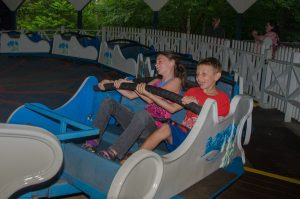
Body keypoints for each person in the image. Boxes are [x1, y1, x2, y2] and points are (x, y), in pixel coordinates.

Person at [83, 51, 186, 160]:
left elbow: (151, 99)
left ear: (172, 63)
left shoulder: (176, 81)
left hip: (153, 129)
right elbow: (132, 95)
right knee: (109, 102)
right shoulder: (156, 81)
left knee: (143, 114)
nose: (156, 65)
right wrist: (115, 85)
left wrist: (133, 86)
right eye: (156, 62)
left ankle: (114, 151)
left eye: (160, 61)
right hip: (138, 122)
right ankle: (92, 142)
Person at [139, 57, 230, 153]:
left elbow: (217, 125)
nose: (199, 78)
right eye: (197, 74)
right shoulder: (192, 92)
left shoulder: (223, 99)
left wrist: (198, 106)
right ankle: (136, 159)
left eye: (204, 74)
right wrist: (150, 95)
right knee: (165, 127)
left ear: (216, 76)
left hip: (202, 141)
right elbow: (172, 108)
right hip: (184, 136)